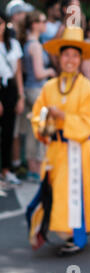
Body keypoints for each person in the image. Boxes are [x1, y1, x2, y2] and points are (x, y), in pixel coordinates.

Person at [26, 26, 90, 256]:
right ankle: (64, 230)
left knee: (77, 191)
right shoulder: (49, 87)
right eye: (66, 55)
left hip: (78, 148)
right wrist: (43, 124)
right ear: (60, 58)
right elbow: (37, 114)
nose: (70, 60)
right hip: (56, 148)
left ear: (80, 59)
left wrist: (63, 117)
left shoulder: (88, 88)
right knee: (57, 190)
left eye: (75, 55)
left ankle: (76, 234)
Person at [19, 10, 57, 183]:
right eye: (42, 21)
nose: (45, 24)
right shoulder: (35, 45)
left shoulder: (29, 43)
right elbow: (39, 72)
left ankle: (32, 168)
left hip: (29, 90)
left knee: (31, 130)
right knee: (42, 129)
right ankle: (39, 167)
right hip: (37, 91)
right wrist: (50, 71)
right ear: (34, 24)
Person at [0, 10, 24, 185]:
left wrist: (21, 96)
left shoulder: (13, 44)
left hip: (10, 90)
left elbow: (18, 73)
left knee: (9, 131)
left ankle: (6, 169)